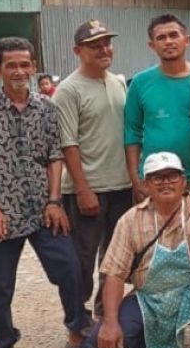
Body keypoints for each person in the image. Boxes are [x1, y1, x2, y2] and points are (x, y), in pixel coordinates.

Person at [0, 37, 89, 348]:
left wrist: (55, 201)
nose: (19, 71)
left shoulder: (46, 109)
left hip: (42, 207)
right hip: (3, 212)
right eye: (11, 65)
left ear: (34, 67)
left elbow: (54, 156)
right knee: (2, 283)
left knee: (69, 266)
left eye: (25, 64)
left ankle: (77, 327)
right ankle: (5, 345)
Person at [87, 152, 190, 348]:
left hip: (189, 293)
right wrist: (110, 322)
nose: (166, 182)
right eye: (158, 177)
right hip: (148, 298)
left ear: (184, 182)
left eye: (172, 176)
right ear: (146, 184)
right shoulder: (130, 221)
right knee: (97, 339)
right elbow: (115, 273)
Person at [53, 19, 133, 320]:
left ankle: (105, 313)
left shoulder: (117, 82)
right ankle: (77, 320)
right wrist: (83, 189)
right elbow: (68, 143)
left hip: (121, 186)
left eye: (106, 43)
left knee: (115, 258)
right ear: (77, 50)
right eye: (94, 45)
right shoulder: (68, 90)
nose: (103, 49)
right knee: (82, 260)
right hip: (88, 188)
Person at [125, 15, 190, 201]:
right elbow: (131, 133)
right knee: (154, 230)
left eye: (174, 35)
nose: (168, 41)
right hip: (154, 179)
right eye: (161, 37)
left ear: (187, 40)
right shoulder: (140, 83)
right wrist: (136, 179)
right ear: (151, 45)